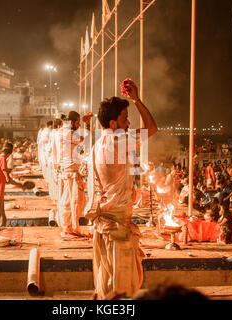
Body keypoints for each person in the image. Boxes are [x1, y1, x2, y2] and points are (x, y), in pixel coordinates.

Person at [85, 79, 158, 300]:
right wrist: (136, 99)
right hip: (116, 227)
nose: (129, 124)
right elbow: (152, 128)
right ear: (113, 124)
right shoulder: (117, 141)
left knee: (107, 283)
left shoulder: (99, 144)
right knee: (121, 289)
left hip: (107, 223)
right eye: (125, 119)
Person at [57, 112, 92, 237]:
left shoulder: (65, 132)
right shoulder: (67, 133)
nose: (79, 125)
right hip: (69, 172)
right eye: (78, 122)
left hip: (69, 171)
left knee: (75, 201)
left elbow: (83, 146)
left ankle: (69, 227)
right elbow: (85, 140)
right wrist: (88, 125)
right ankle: (67, 229)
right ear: (71, 122)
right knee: (69, 202)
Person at [0, 142, 22, 227]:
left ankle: (2, 230)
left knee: (2, 218)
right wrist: (20, 185)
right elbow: (8, 179)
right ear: (9, 153)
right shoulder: (2, 159)